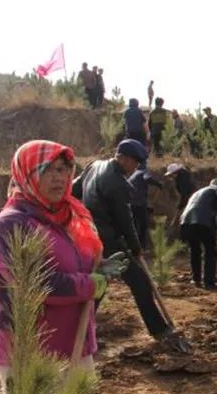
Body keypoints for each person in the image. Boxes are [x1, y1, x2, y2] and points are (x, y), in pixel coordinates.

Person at [0, 140, 126, 394]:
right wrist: (90, 284)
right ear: (26, 174)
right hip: (33, 348)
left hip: (74, 341)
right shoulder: (12, 224)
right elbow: (37, 282)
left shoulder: (69, 216)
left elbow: (77, 263)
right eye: (47, 169)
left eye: (63, 169)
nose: (58, 177)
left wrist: (98, 266)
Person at [73, 140, 188, 351]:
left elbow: (73, 190)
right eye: (134, 163)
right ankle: (160, 330)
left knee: (98, 285)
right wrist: (135, 247)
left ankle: (80, 333)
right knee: (140, 283)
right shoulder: (118, 183)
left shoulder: (94, 166)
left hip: (88, 236)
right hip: (107, 241)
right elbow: (125, 221)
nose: (135, 168)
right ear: (123, 158)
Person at [180, 179, 217, 289]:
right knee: (211, 251)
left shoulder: (198, 192)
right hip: (203, 222)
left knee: (195, 251)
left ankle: (196, 280)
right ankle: (209, 283)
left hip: (186, 222)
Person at [128, 163, 163, 251]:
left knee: (135, 225)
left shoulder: (133, 175)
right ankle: (142, 247)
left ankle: (133, 247)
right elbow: (147, 178)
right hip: (139, 204)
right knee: (143, 225)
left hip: (131, 204)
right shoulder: (143, 172)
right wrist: (158, 184)